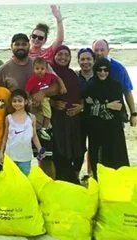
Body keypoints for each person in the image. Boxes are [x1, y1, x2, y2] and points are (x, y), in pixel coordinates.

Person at [83, 58, 131, 179]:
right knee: (98, 162)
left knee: (117, 160)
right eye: (99, 70)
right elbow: (88, 110)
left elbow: (119, 107)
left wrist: (97, 108)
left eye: (106, 70)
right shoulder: (90, 87)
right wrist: (108, 105)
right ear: (95, 70)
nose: (102, 72)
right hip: (96, 131)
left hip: (114, 130)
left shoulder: (115, 86)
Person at [49, 46, 84, 184]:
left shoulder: (72, 74)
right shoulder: (49, 74)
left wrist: (80, 108)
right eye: (60, 54)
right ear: (54, 56)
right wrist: (53, 103)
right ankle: (61, 180)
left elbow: (80, 95)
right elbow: (38, 95)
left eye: (66, 55)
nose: (63, 57)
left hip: (73, 119)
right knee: (59, 151)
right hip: (55, 119)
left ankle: (73, 178)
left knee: (75, 151)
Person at [92, 39, 137, 127]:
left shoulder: (118, 68)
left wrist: (134, 114)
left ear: (108, 50)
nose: (99, 53)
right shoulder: (90, 66)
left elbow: (127, 91)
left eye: (102, 50)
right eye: (96, 50)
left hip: (116, 116)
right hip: (95, 115)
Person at [0, 89, 45, 176]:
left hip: (25, 157)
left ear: (26, 102)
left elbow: (34, 136)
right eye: (14, 101)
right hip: (10, 156)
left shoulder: (32, 118)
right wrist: (1, 152)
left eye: (20, 101)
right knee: (10, 180)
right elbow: (5, 136)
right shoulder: (8, 118)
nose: (17, 103)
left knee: (24, 180)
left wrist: (40, 149)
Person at [25, 57, 67, 129]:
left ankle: (45, 127)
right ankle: (38, 127)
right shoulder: (32, 80)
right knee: (36, 112)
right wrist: (29, 100)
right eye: (37, 69)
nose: (39, 71)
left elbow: (58, 78)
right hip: (34, 98)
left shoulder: (49, 76)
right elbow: (27, 91)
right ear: (33, 69)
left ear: (46, 69)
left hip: (45, 98)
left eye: (42, 69)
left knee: (47, 112)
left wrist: (63, 86)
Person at [76, 48, 96, 178]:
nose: (85, 62)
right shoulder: (75, 77)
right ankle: (76, 174)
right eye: (82, 59)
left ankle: (92, 174)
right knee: (79, 149)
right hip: (79, 120)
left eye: (88, 59)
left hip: (96, 119)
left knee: (94, 148)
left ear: (93, 60)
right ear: (78, 61)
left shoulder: (99, 76)